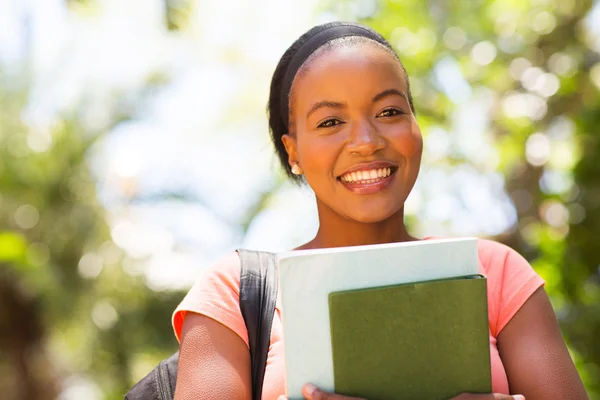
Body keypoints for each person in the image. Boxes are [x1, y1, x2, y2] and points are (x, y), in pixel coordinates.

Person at [171, 22, 588, 400]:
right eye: (331, 122)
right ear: (293, 150)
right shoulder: (234, 293)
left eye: (389, 112)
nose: (366, 141)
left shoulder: (496, 274)